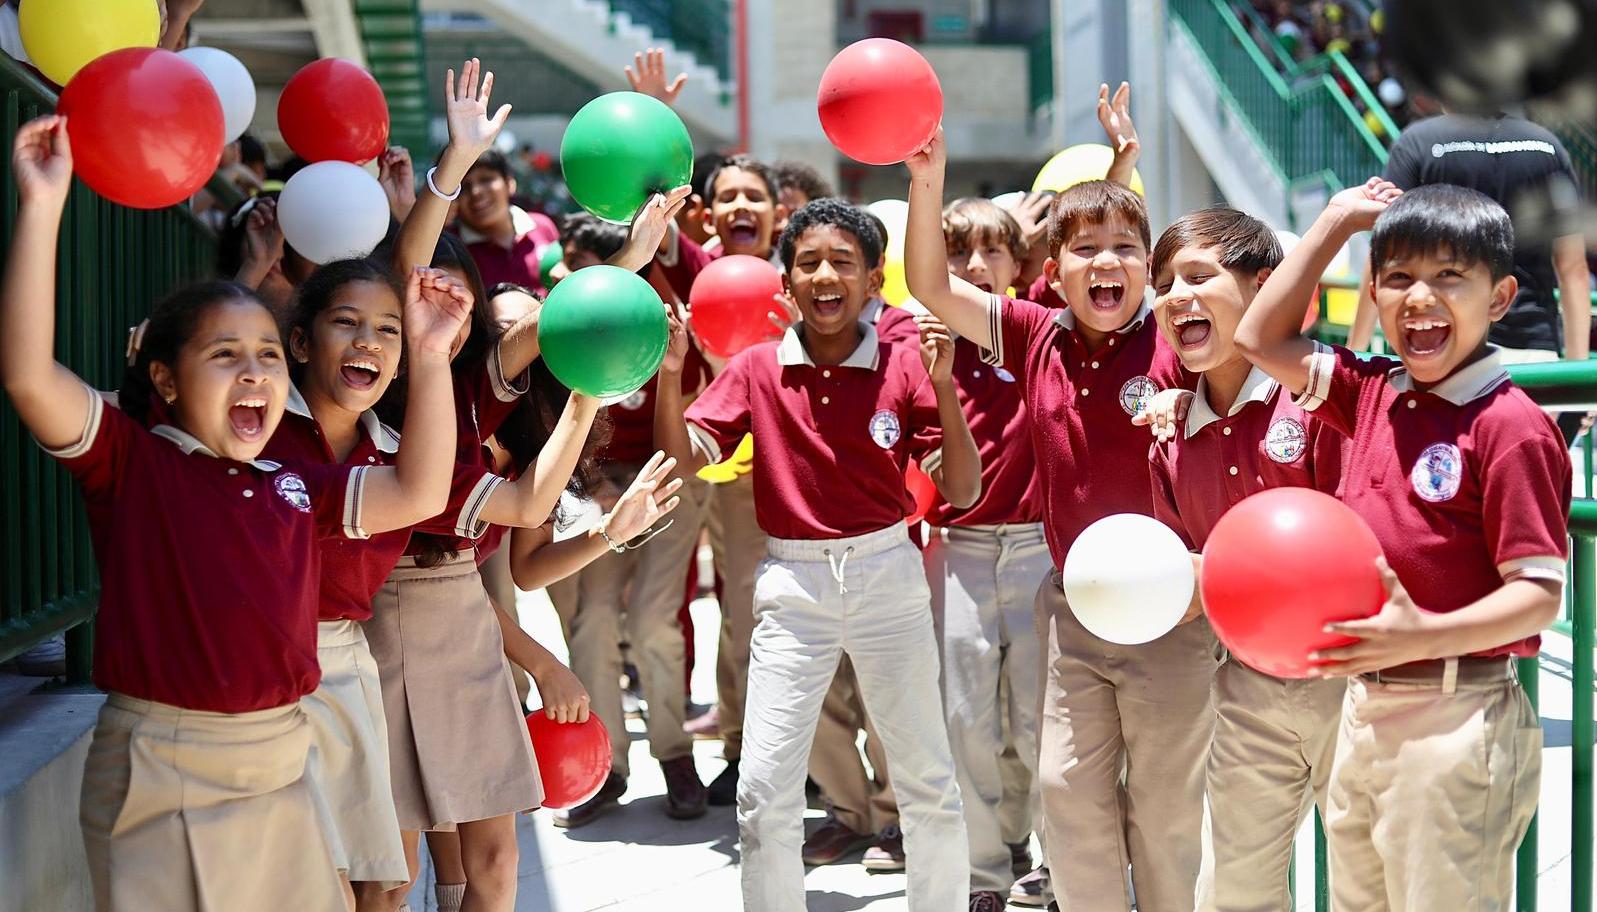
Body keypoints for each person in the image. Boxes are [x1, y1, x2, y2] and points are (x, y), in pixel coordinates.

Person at [1, 115, 466, 912]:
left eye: (263, 355)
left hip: (286, 759)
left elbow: (421, 494)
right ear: (167, 381)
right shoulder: (131, 460)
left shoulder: (293, 483)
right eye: (224, 356)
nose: (254, 373)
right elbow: (26, 377)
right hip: (164, 765)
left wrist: (427, 357)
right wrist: (43, 207)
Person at [904, 121, 1218, 912]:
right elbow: (931, 288)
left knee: (1164, 808)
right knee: (1065, 789)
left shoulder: (1184, 344)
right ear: (1052, 271)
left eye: (1124, 247)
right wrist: (927, 178)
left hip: (1172, 617)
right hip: (1071, 609)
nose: (1104, 262)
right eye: (1083, 249)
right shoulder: (1032, 333)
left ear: (1149, 267)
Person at [1236, 179, 1569, 911]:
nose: (1419, 297)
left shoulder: (1508, 425)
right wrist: (1330, 224)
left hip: (1456, 719)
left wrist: (1425, 633)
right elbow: (1257, 338)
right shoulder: (1373, 392)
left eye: (1449, 276)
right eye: (1396, 278)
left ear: (1501, 297)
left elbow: (1537, 596)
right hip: (1363, 711)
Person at [655, 197, 981, 912]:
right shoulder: (755, 368)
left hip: (886, 576)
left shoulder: (906, 362)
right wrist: (674, 373)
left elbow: (960, 484)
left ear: (873, 281)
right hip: (791, 586)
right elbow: (684, 460)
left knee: (926, 780)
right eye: (808, 263)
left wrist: (946, 385)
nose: (825, 276)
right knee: (763, 788)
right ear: (786, 283)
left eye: (843, 263)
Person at [1135, 208, 1346, 911]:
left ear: (1263, 287)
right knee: (1236, 887)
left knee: (1369, 879)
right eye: (1163, 284)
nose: (1173, 297)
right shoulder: (1167, 435)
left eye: (1199, 276)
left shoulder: (1319, 405)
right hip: (1245, 688)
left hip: (1352, 680)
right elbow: (1185, 585)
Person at [922, 197, 1051, 912]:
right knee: (967, 719)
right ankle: (983, 874)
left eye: (992, 252)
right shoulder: (923, 344)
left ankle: (1038, 852)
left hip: (1037, 547)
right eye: (958, 254)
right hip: (960, 548)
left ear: (1017, 264)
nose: (975, 267)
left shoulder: (1036, 332)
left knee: (1037, 721)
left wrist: (1119, 163)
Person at [1348, 107, 1591, 366]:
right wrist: (1578, 378)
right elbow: (1572, 267)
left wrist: (1354, 355)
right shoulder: (1547, 146)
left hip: (1440, 346)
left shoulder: (1419, 142)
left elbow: (1383, 256)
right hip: (1532, 349)